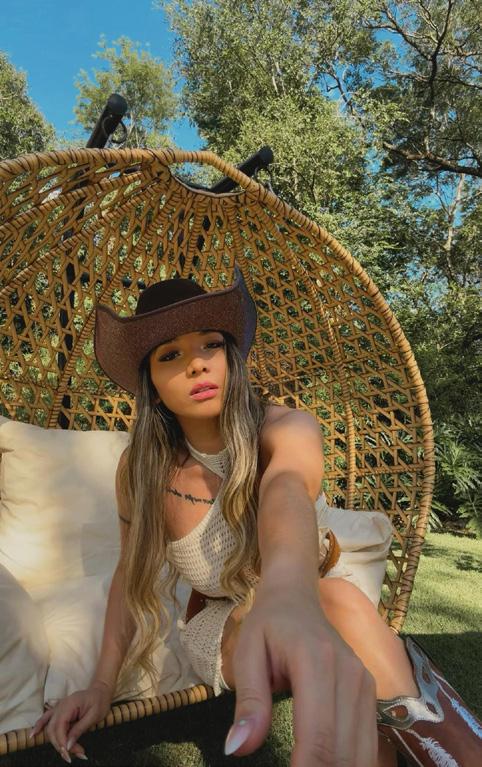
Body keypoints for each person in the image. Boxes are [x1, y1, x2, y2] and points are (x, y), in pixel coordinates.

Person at [29, 268, 481, 766]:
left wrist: (288, 592)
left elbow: (286, 488)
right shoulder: (140, 473)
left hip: (309, 598)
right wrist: (100, 685)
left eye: (210, 345)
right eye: (170, 355)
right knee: (341, 610)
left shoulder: (285, 427)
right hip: (225, 626)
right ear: (152, 386)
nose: (197, 364)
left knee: (339, 614)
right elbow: (128, 576)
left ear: (231, 357)